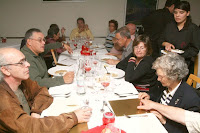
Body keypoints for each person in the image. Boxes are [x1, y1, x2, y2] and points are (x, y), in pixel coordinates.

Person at [0, 48, 92, 133]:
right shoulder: (3, 99)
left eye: (25, 60)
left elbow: (42, 91)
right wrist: (74, 117)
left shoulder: (22, 81)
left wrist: (35, 111)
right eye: (21, 63)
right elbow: (30, 128)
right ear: (5, 70)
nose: (28, 64)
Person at [138, 52, 200, 133]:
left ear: (174, 76)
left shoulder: (191, 99)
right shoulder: (165, 84)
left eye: (161, 76)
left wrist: (164, 122)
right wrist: (149, 96)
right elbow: (158, 97)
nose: (158, 79)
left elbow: (187, 130)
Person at [159, 1, 200, 74]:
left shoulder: (193, 29)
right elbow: (160, 40)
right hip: (166, 62)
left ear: (187, 13)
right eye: (175, 12)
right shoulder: (169, 26)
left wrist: (179, 55)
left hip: (183, 65)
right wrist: (165, 44)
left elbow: (195, 49)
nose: (177, 15)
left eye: (181, 12)